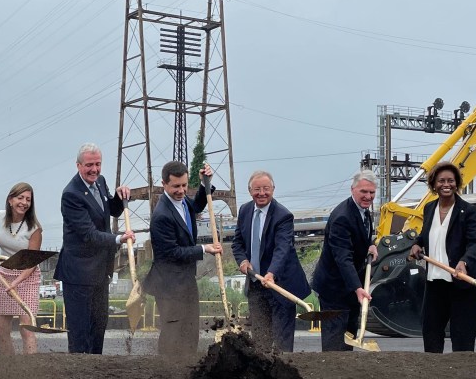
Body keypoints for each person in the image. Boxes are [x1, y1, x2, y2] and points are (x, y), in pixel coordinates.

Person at [53, 143, 134, 354]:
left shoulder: (101, 182)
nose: (94, 170)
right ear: (78, 165)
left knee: (98, 327)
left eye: (98, 164)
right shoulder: (71, 194)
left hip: (100, 271)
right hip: (79, 274)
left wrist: (120, 197)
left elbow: (111, 210)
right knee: (80, 334)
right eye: (89, 165)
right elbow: (88, 234)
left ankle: (96, 375)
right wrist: (119, 239)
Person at [143, 161, 222, 357]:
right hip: (168, 285)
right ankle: (167, 372)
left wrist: (205, 183)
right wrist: (204, 248)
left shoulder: (184, 202)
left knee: (190, 331)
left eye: (185, 185)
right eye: (176, 186)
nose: (181, 190)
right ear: (164, 184)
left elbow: (198, 205)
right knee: (173, 333)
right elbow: (172, 253)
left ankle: (188, 369)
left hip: (186, 280)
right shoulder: (161, 216)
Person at [408, 162, 476, 353]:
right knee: (431, 333)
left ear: (457, 183)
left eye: (451, 180)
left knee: (462, 338)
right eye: (441, 180)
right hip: (435, 282)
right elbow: (426, 234)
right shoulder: (429, 208)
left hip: (462, 283)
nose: (446, 184)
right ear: (434, 184)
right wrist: (417, 243)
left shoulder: (468, 211)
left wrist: (463, 261)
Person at [231, 170, 311, 352]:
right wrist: (242, 261)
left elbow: (282, 249)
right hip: (255, 283)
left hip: (281, 285)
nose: (262, 193)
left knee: (282, 341)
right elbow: (237, 242)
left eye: (266, 188)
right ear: (250, 191)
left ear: (273, 189)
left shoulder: (283, 216)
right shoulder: (244, 211)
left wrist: (271, 273)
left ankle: (283, 374)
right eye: (257, 189)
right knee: (259, 338)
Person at [311, 170, 378, 351]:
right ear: (352, 190)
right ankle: (331, 374)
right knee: (334, 340)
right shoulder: (342, 217)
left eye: (372, 192)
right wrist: (358, 288)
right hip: (334, 288)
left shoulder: (363, 211)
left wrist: (369, 245)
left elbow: (358, 237)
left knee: (349, 335)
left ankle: (345, 374)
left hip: (350, 286)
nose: (368, 196)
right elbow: (343, 257)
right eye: (363, 191)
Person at [0, 182, 43, 355]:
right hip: (4, 274)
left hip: (27, 277)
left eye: (28, 199)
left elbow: (32, 262)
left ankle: (29, 370)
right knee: (1, 329)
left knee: (27, 329)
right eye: (20, 198)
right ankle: (9, 367)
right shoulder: (1, 216)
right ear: (10, 200)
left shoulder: (34, 228)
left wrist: (16, 282)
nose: (24, 202)